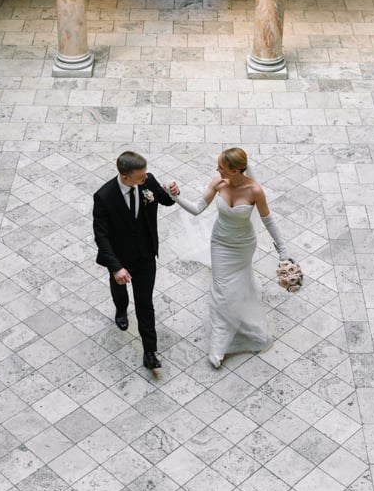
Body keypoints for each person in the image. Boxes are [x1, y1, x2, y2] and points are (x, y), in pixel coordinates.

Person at [169, 148, 286, 368]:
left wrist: (283, 250)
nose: (217, 170)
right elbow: (196, 209)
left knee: (239, 283)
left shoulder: (255, 191)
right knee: (222, 290)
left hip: (243, 246)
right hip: (220, 243)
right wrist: (176, 197)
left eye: (221, 167)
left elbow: (268, 221)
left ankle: (246, 323)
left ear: (234, 170)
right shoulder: (218, 183)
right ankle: (219, 341)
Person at [93, 151, 177, 371]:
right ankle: (121, 310)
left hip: (146, 255)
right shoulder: (104, 196)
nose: (145, 178)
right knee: (119, 290)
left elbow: (166, 200)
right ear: (125, 177)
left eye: (145, 174)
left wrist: (174, 193)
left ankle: (150, 351)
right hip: (120, 259)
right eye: (140, 176)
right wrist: (116, 267)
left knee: (145, 302)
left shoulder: (147, 181)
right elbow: (100, 235)